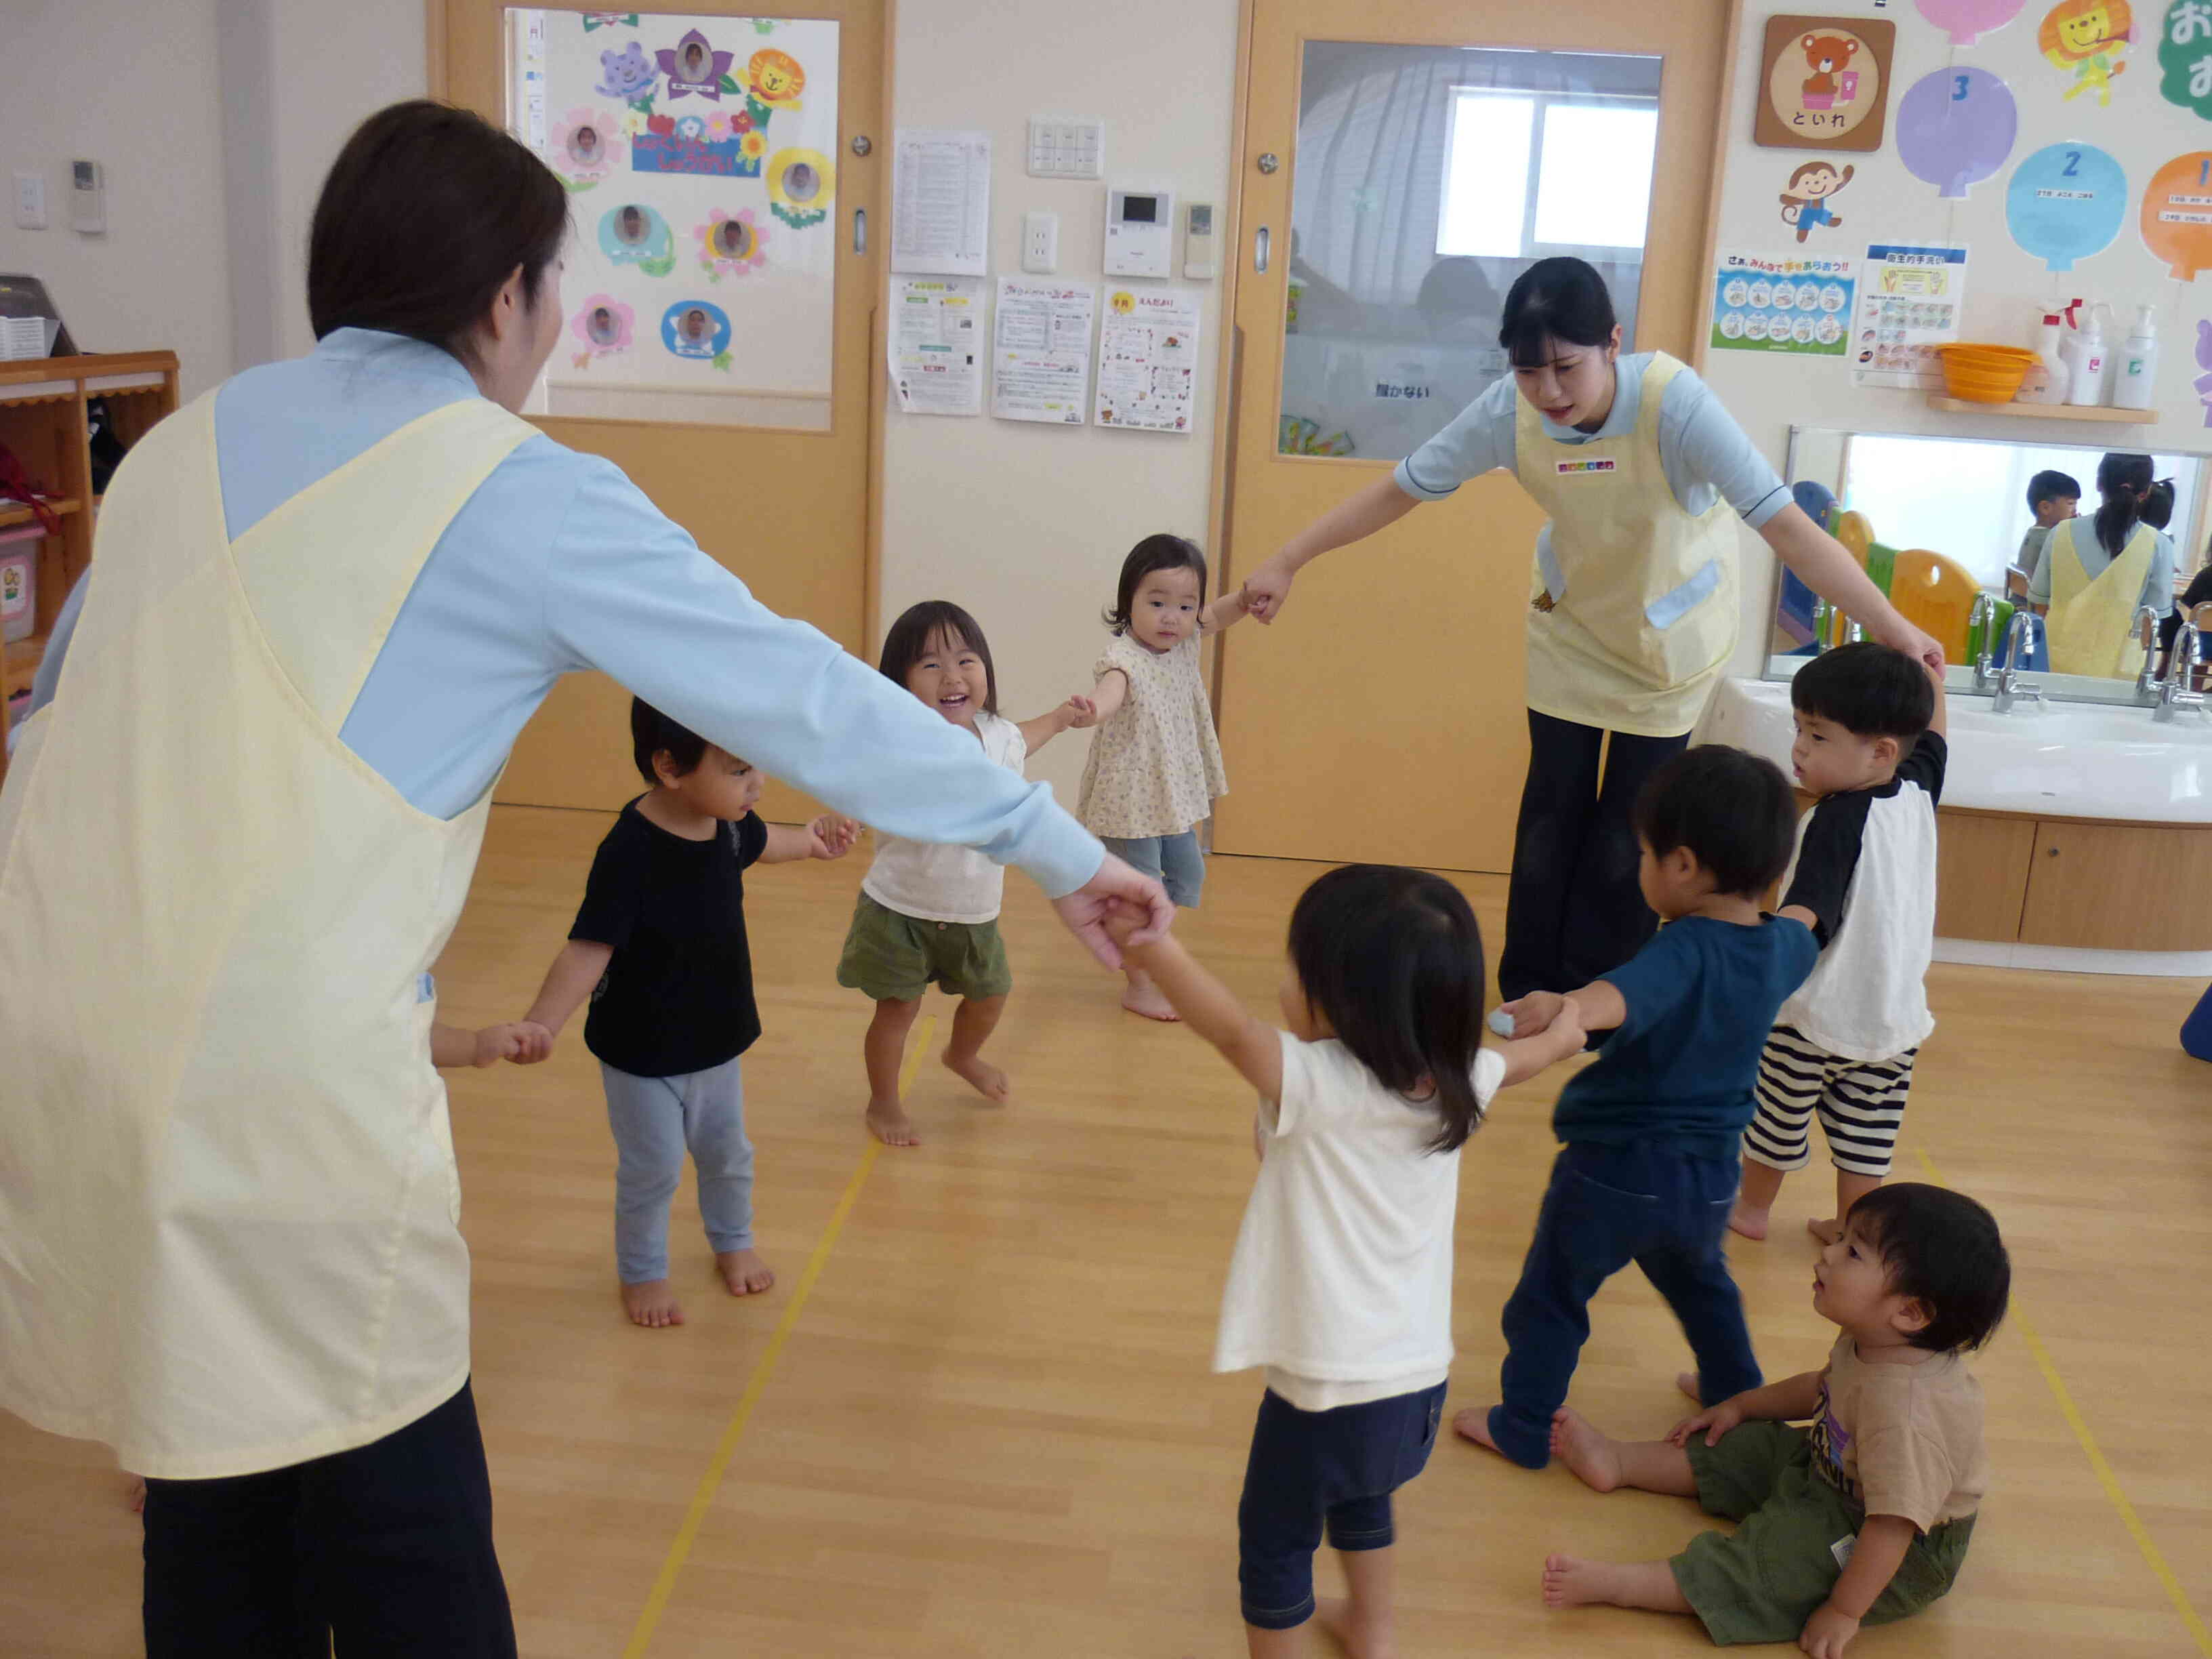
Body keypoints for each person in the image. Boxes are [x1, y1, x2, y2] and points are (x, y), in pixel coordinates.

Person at [0, 100, 1168, 1653]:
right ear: (509, 297)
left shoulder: (177, 444)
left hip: (60, 1033)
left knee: (217, 1499)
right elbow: (799, 690)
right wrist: (1062, 848)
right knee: (403, 1529)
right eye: (551, 292)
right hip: (277, 1085)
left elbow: (45, 728)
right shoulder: (516, 485)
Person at [1242, 257, 1940, 1005]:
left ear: (1613, 342)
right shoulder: (1506, 414)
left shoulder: (1675, 405)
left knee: (1629, 832)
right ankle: (1528, 992)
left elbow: (1791, 530)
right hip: (1571, 631)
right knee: (1551, 816)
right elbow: (1397, 491)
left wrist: (1894, 627)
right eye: (1528, 372)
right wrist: (1288, 560)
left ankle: (1599, 1003)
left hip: (1670, 643)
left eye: (1566, 368)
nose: (1548, 393)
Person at [1102, 865, 1586, 1659]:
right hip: (1417, 1381)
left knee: (1274, 1544)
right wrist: (1567, 1034)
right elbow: (1527, 1060)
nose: (1283, 981)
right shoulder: (1457, 1077)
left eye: (1297, 968)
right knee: (1364, 1500)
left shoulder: (1320, 1082)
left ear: (1343, 1001)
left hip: (1324, 1388)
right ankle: (1373, 1629)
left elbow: (1228, 1030)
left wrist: (1152, 949)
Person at [1454, 746, 1818, 1470]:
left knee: (1553, 1295)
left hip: (1614, 1171)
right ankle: (1733, 1404)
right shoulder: (1782, 949)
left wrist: (1565, 1006)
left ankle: (1523, 1424)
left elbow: (1613, 1000)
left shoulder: (1679, 951)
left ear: (1682, 866)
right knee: (1705, 1289)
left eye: (1647, 854)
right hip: (1712, 1175)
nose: (1642, 867)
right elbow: (1805, 929)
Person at [1540, 1184, 2009, 1656]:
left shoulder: (1906, 1417)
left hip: (1893, 1542)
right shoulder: (1873, 1341)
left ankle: (1622, 1585)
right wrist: (1742, 1406)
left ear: (1909, 1312)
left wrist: (1844, 1611)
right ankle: (1617, 1461)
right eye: (1839, 1239)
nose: (1827, 1253)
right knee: (1748, 1444)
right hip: (1839, 1470)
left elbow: (1892, 1528)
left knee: (1775, 1563)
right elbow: (1821, 1387)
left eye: (1852, 1252)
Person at [509, 702, 856, 1327]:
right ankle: (642, 1272)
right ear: (669, 767)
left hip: (716, 1040)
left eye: (758, 766)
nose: (758, 785)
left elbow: (763, 842)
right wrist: (542, 1021)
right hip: (642, 1053)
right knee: (653, 1170)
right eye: (739, 769)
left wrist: (810, 841)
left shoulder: (726, 822)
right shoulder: (629, 851)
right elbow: (589, 947)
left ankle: (732, 1239)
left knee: (729, 1153)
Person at [837, 601, 1092, 1147]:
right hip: (900, 908)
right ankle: (883, 1100)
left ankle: (962, 1055)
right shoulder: (902, 743)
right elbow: (865, 788)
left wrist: (1064, 717)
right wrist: (845, 819)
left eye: (966, 659)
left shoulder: (997, 735)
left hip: (974, 911)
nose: (952, 676)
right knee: (897, 1012)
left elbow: (1027, 736)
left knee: (991, 995)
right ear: (900, 684)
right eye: (930, 665)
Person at [1734, 647, 1945, 1247]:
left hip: (1814, 1018)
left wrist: (1757, 953)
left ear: (1880, 751)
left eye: (1818, 736)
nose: (1799, 748)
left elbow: (1811, 913)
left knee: (1775, 1119)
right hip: (1894, 1022)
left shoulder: (1835, 819)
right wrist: (1935, 679)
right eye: (1798, 729)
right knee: (1866, 1140)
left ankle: (1751, 1210)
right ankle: (1855, 1234)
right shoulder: (1918, 790)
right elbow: (1934, 739)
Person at [1069, 533, 1251, 1020]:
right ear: (1129, 602)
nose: (1172, 616)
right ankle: (1142, 980)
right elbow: (1110, 693)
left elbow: (1223, 613)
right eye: (1156, 603)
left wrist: (1248, 599)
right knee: (1142, 889)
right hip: (1131, 801)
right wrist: (1093, 712)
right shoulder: (1123, 659)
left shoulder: (1187, 639)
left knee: (1188, 873)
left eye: (1185, 605)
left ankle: (1148, 942)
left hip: (1169, 794)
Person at [2030, 451, 2174, 677]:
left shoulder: (2060, 533)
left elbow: (2040, 608)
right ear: (2146, 492)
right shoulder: (2159, 545)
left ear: (2099, 484)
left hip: (2055, 663)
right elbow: (2150, 626)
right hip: (2119, 672)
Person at [2013, 468, 2079, 596]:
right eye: (2071, 504)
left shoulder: (2033, 533)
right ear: (2045, 508)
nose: (2075, 510)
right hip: (2039, 607)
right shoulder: (2050, 539)